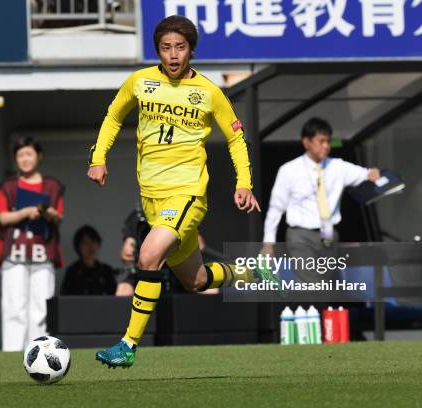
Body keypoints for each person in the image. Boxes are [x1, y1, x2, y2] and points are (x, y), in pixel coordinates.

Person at [87, 15, 266, 368]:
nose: (173, 55)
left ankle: (128, 345)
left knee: (148, 257)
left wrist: (243, 182)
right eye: (166, 48)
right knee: (196, 281)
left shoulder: (209, 93)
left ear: (191, 50)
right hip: (152, 199)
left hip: (186, 195)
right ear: (158, 50)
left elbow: (235, 138)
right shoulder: (140, 82)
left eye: (180, 48)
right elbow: (112, 117)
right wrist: (98, 157)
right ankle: (253, 273)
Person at [262, 117, 380, 283]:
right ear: (307, 142)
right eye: (321, 141)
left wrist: (373, 173)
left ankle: (315, 307)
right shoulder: (289, 170)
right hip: (301, 235)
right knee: (310, 284)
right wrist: (268, 243)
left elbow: (365, 174)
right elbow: (276, 208)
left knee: (325, 285)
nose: (326, 146)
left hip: (328, 235)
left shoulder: (338, 166)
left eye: (328, 141)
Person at [0, 136, 64, 352]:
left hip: (43, 253)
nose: (25, 159)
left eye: (29, 154)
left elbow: (59, 216)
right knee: (14, 307)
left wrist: (48, 212)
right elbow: (3, 217)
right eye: (20, 155)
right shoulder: (7, 186)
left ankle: (39, 354)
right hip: (14, 253)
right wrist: (25, 212)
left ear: (39, 156)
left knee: (41, 308)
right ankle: (12, 352)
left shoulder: (53, 186)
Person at [60, 225, 116, 295]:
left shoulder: (106, 271)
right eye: (85, 242)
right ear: (78, 247)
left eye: (93, 241)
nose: (90, 246)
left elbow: (114, 296)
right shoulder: (73, 271)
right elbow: (66, 297)